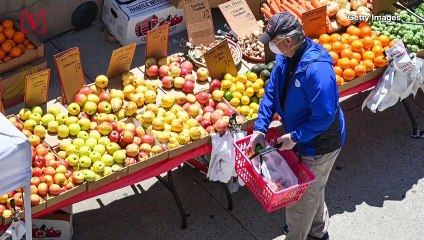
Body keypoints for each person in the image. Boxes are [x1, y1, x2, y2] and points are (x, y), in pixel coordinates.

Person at [249, 12, 346, 240]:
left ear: (288, 40)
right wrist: (260, 127)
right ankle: (318, 231)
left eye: (273, 41)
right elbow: (272, 91)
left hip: (319, 143)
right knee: (313, 188)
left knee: (300, 200)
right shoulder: (286, 56)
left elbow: (324, 117)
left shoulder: (317, 71)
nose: (271, 46)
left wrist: (295, 137)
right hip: (302, 136)